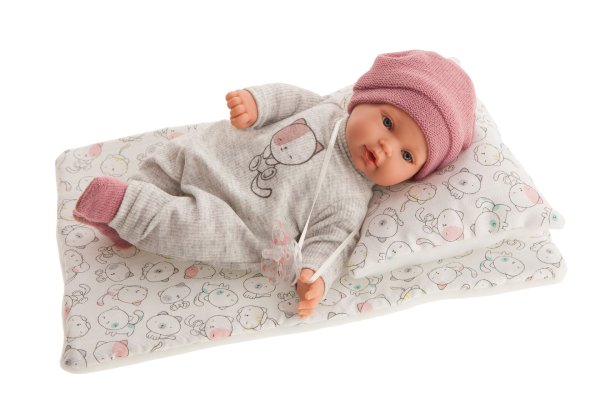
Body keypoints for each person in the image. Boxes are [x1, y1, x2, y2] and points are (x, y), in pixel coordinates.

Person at [73, 50, 476, 319]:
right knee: (163, 164)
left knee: (188, 229)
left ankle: (124, 208)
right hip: (205, 154)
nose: (387, 148)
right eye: (388, 122)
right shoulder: (323, 109)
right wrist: (255, 102)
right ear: (363, 98)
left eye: (407, 156)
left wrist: (316, 275)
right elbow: (284, 97)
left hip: (235, 222)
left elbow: (333, 241)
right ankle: (128, 216)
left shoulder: (351, 199)